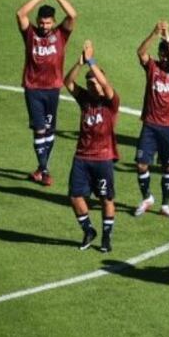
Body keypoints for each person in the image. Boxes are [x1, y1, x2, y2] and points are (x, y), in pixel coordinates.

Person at [16, 0, 77, 187]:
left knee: (50, 130)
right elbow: (20, 14)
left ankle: (41, 168)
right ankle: (44, 170)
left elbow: (72, 15)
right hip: (33, 88)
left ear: (53, 21)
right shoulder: (30, 34)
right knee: (40, 129)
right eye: (41, 22)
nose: (43, 26)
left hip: (53, 89)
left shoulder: (61, 34)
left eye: (48, 23)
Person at [63, 41, 119, 252]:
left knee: (106, 198)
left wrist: (92, 61)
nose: (91, 87)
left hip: (103, 158)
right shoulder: (85, 100)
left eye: (94, 83)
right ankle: (88, 230)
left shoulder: (110, 102)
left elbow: (106, 86)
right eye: (89, 84)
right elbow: (67, 82)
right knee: (75, 196)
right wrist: (80, 63)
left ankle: (106, 237)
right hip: (82, 156)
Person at [133, 20, 169, 219]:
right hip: (150, 124)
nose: (167, 57)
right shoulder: (152, 68)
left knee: (168, 166)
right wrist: (154, 33)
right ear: (159, 54)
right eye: (164, 53)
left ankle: (165, 205)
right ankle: (147, 197)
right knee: (141, 163)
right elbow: (140, 52)